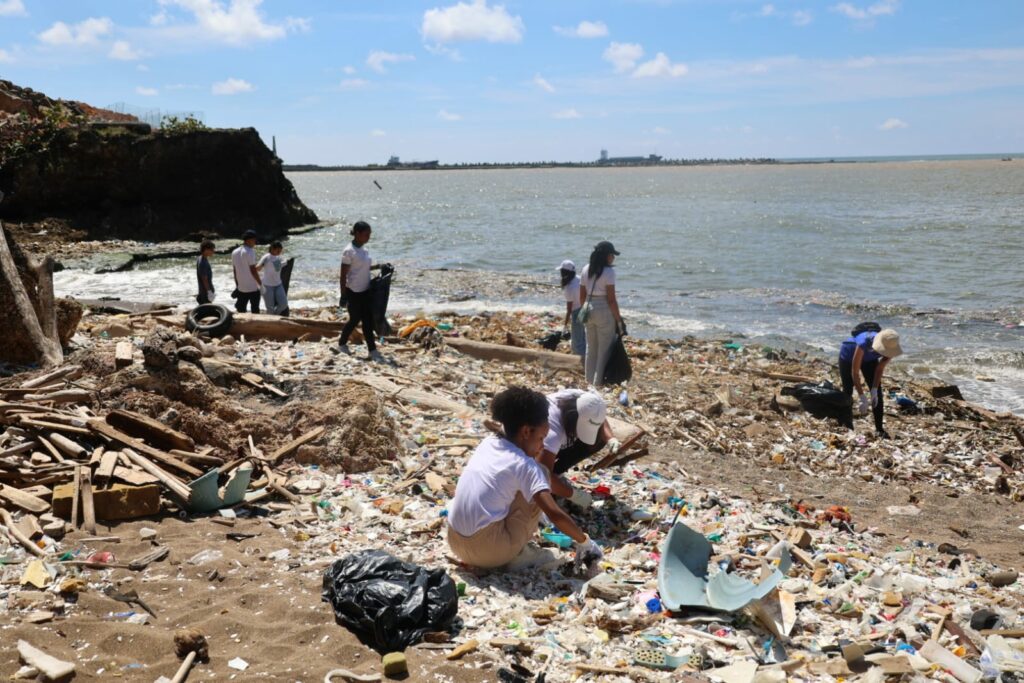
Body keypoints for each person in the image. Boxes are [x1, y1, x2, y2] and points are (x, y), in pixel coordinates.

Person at [447, 386, 602, 570]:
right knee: (542, 475)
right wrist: (585, 542)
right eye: (541, 438)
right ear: (526, 432)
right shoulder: (524, 465)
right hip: (487, 553)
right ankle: (519, 555)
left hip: (454, 540)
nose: (542, 446)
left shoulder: (489, 442)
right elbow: (554, 513)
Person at [538, 390, 621, 506]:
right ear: (572, 417)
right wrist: (574, 495)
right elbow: (542, 474)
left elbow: (598, 418)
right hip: (529, 448)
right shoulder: (551, 429)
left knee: (599, 439)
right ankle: (554, 483)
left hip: (556, 440)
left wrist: (611, 439)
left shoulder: (588, 401)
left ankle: (557, 474)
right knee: (543, 474)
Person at [838, 327, 903, 438]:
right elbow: (855, 372)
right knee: (847, 390)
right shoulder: (864, 342)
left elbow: (879, 368)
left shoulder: (891, 345)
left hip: (869, 360)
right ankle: (846, 424)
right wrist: (862, 396)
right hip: (848, 357)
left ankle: (879, 429)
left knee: (878, 393)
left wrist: (873, 390)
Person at [579, 241, 626, 386]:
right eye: (612, 255)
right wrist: (619, 320)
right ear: (606, 256)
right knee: (604, 349)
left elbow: (581, 296)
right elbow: (611, 300)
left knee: (590, 348)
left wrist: (585, 310)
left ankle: (588, 381)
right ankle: (598, 383)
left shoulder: (586, 269)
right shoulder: (609, 272)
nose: (613, 258)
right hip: (603, 308)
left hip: (587, 307)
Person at [339, 221, 384, 362]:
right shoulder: (349, 251)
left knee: (367, 321)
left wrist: (380, 266)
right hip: (353, 291)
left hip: (366, 290)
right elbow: (343, 274)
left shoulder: (364, 250)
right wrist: (343, 295)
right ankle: (341, 344)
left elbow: (363, 268)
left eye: (369, 234)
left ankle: (372, 350)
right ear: (357, 233)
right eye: (366, 234)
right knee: (354, 320)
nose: (368, 237)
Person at [558, 260, 586, 359]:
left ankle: (580, 362)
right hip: (584, 309)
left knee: (577, 341)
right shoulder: (579, 279)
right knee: (583, 336)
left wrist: (565, 324)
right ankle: (586, 358)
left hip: (576, 312)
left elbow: (569, 309)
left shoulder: (569, 287)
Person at [231, 229, 261, 313]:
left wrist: (237, 285)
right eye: (254, 240)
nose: (255, 242)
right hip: (252, 288)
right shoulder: (250, 251)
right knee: (255, 310)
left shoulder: (234, 252)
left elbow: (235, 271)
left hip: (241, 288)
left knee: (241, 310)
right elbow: (253, 270)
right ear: (248, 240)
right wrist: (261, 284)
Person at [257, 241, 289, 316]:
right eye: (278, 250)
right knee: (270, 308)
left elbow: (284, 262)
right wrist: (260, 265)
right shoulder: (266, 257)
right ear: (272, 249)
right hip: (267, 286)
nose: (279, 252)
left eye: (280, 251)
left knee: (283, 305)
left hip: (278, 284)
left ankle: (275, 315)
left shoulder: (279, 257)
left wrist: (282, 263)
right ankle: (270, 320)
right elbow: (258, 268)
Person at [196, 239, 215, 304]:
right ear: (206, 249)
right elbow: (204, 279)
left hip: (203, 291)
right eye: (212, 250)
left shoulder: (200, 258)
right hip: (205, 293)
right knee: (207, 311)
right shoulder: (203, 262)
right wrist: (209, 292)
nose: (213, 251)